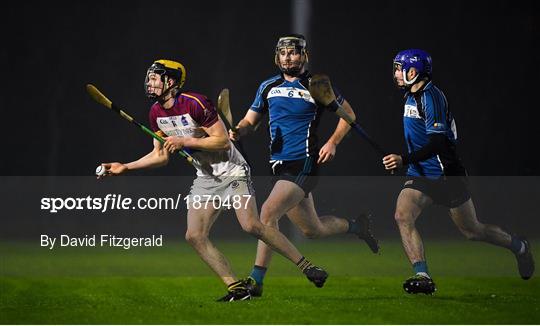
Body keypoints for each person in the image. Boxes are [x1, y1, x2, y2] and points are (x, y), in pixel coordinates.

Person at [98, 59, 332, 301]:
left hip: (232, 169)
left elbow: (221, 141)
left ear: (171, 81)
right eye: (149, 78)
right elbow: (160, 156)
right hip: (205, 177)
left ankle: (306, 266)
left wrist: (184, 141)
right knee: (194, 235)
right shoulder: (155, 113)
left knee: (251, 225)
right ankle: (236, 289)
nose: (150, 82)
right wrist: (125, 166)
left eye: (155, 77)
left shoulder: (195, 103)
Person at [230, 34, 379, 297]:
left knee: (267, 215)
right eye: (284, 53)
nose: (288, 57)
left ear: (304, 56)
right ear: (277, 57)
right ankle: (357, 226)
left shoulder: (316, 85)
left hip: (304, 162)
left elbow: (349, 116)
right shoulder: (268, 87)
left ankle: (256, 281)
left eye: (294, 52)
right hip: (279, 165)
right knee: (313, 229)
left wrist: (332, 142)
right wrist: (238, 131)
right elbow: (249, 122)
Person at [383, 49, 535, 294]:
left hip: (447, 174)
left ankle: (519, 246)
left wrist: (403, 158)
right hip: (420, 174)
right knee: (402, 216)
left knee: (473, 231)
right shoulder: (409, 96)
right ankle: (423, 276)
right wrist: (405, 162)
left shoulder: (431, 97)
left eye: (400, 69)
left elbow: (438, 143)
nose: (396, 74)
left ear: (414, 71)